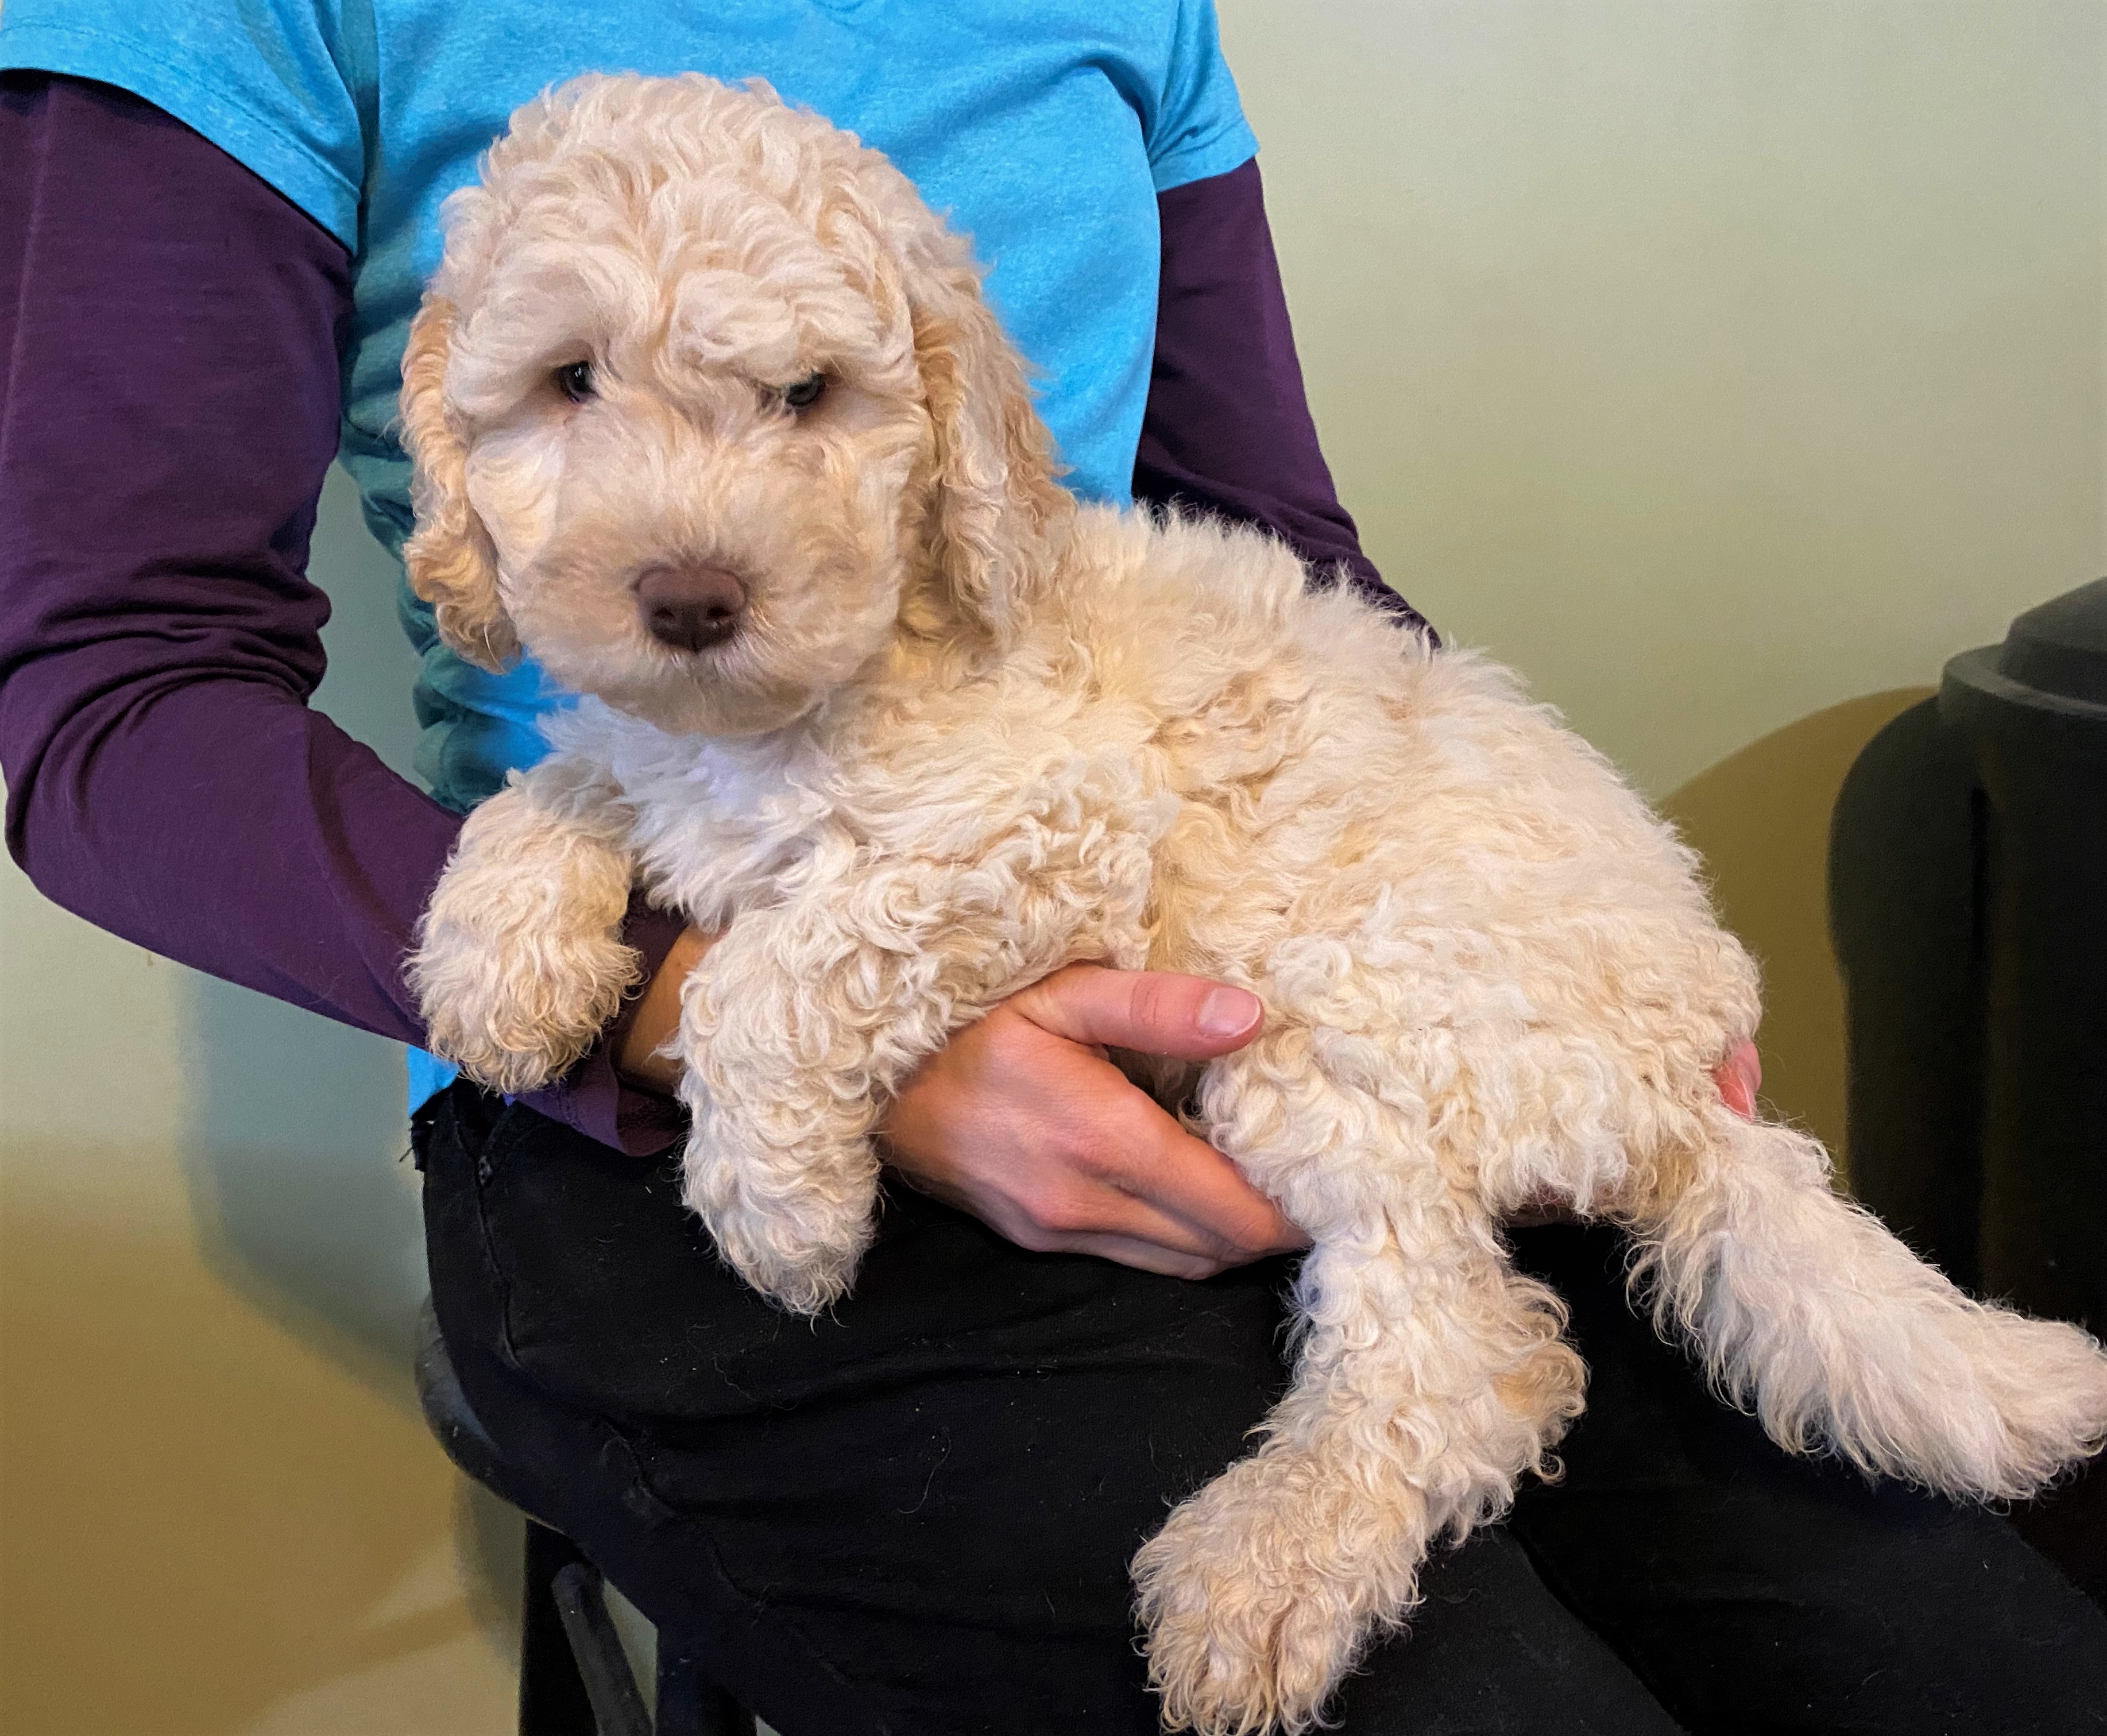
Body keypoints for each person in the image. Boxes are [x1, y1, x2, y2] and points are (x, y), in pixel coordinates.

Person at [2, 6, 2102, 1731]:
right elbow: (111, 693)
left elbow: (1279, 558)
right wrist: (685, 1004)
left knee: (1978, 1672)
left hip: (1212, 946)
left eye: (805, 395)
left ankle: (1434, 1373)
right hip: (632, 1119)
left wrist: (1562, 911)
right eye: (568, 386)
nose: (692, 521)